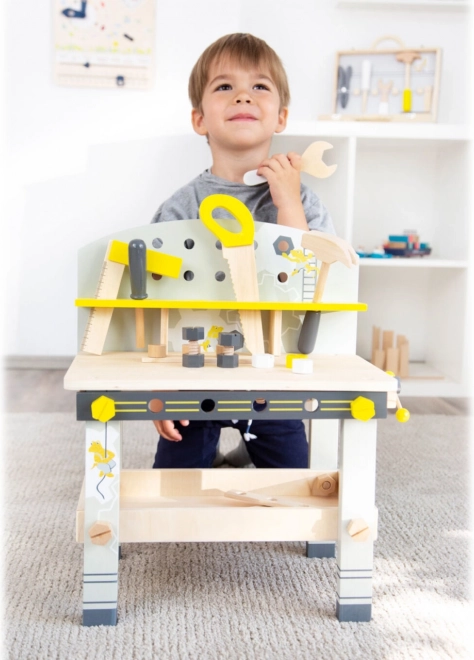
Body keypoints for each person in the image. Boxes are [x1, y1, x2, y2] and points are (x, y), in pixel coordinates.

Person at [151, 33, 335, 469]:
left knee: (294, 486)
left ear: (281, 116)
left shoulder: (303, 200)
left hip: (276, 378)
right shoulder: (178, 208)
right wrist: (157, 389)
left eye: (259, 86)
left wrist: (287, 201)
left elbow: (312, 282)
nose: (243, 96)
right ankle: (220, 447)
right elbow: (157, 302)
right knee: (175, 485)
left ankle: (246, 446)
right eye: (224, 86)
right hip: (193, 376)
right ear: (200, 119)